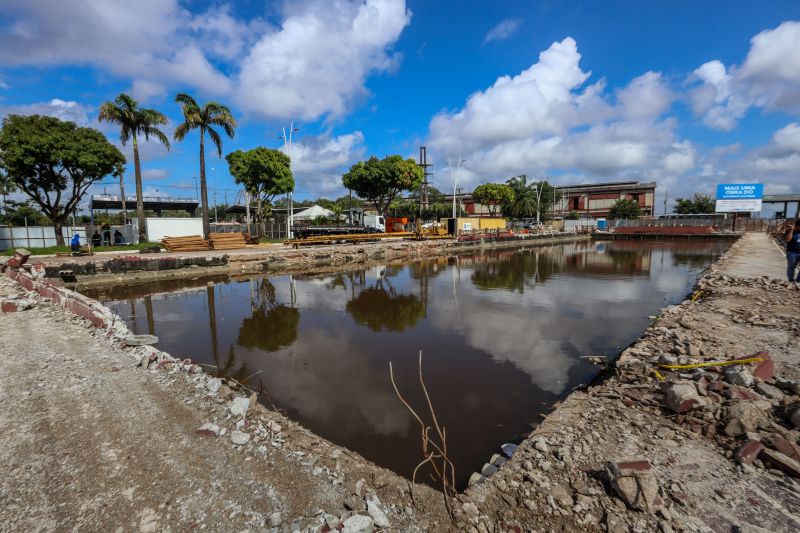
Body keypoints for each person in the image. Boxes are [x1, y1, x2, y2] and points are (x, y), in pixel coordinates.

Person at [785, 219, 800, 290]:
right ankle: (791, 281)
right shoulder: (790, 231)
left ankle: (798, 281)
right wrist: (791, 230)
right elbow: (788, 239)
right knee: (791, 268)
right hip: (792, 252)